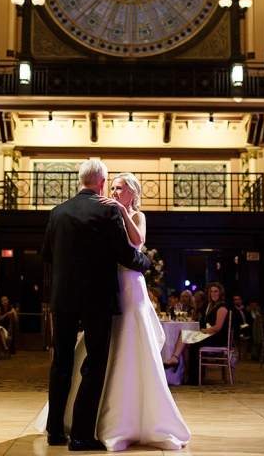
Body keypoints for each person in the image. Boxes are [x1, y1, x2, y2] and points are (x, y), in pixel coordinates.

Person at [40, 161, 183, 452]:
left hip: (63, 297)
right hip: (97, 297)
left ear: (80, 180)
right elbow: (126, 255)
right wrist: (146, 263)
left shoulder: (57, 212)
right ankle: (81, 436)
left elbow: (47, 255)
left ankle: (54, 431)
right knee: (94, 364)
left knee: (61, 363)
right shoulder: (107, 211)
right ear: (103, 182)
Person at [164, 282, 230, 386]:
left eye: (216, 291)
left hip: (217, 338)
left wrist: (204, 331)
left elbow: (217, 328)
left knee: (189, 343)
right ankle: (184, 370)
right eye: (212, 291)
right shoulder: (211, 306)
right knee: (185, 336)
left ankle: (188, 373)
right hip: (209, 334)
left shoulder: (222, 308)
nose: (213, 294)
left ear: (220, 293)